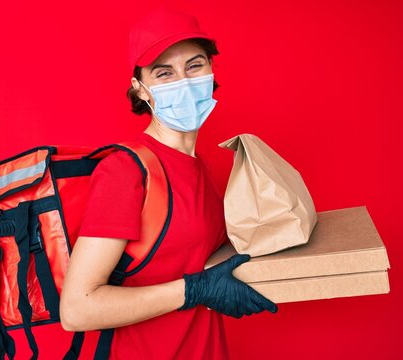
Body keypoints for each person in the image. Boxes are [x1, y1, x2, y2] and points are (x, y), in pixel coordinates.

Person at [60, 7, 277, 359]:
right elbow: (77, 309)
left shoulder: (200, 167)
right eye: (164, 73)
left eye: (194, 66)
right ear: (141, 90)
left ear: (211, 70)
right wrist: (195, 291)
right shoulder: (126, 170)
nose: (184, 81)